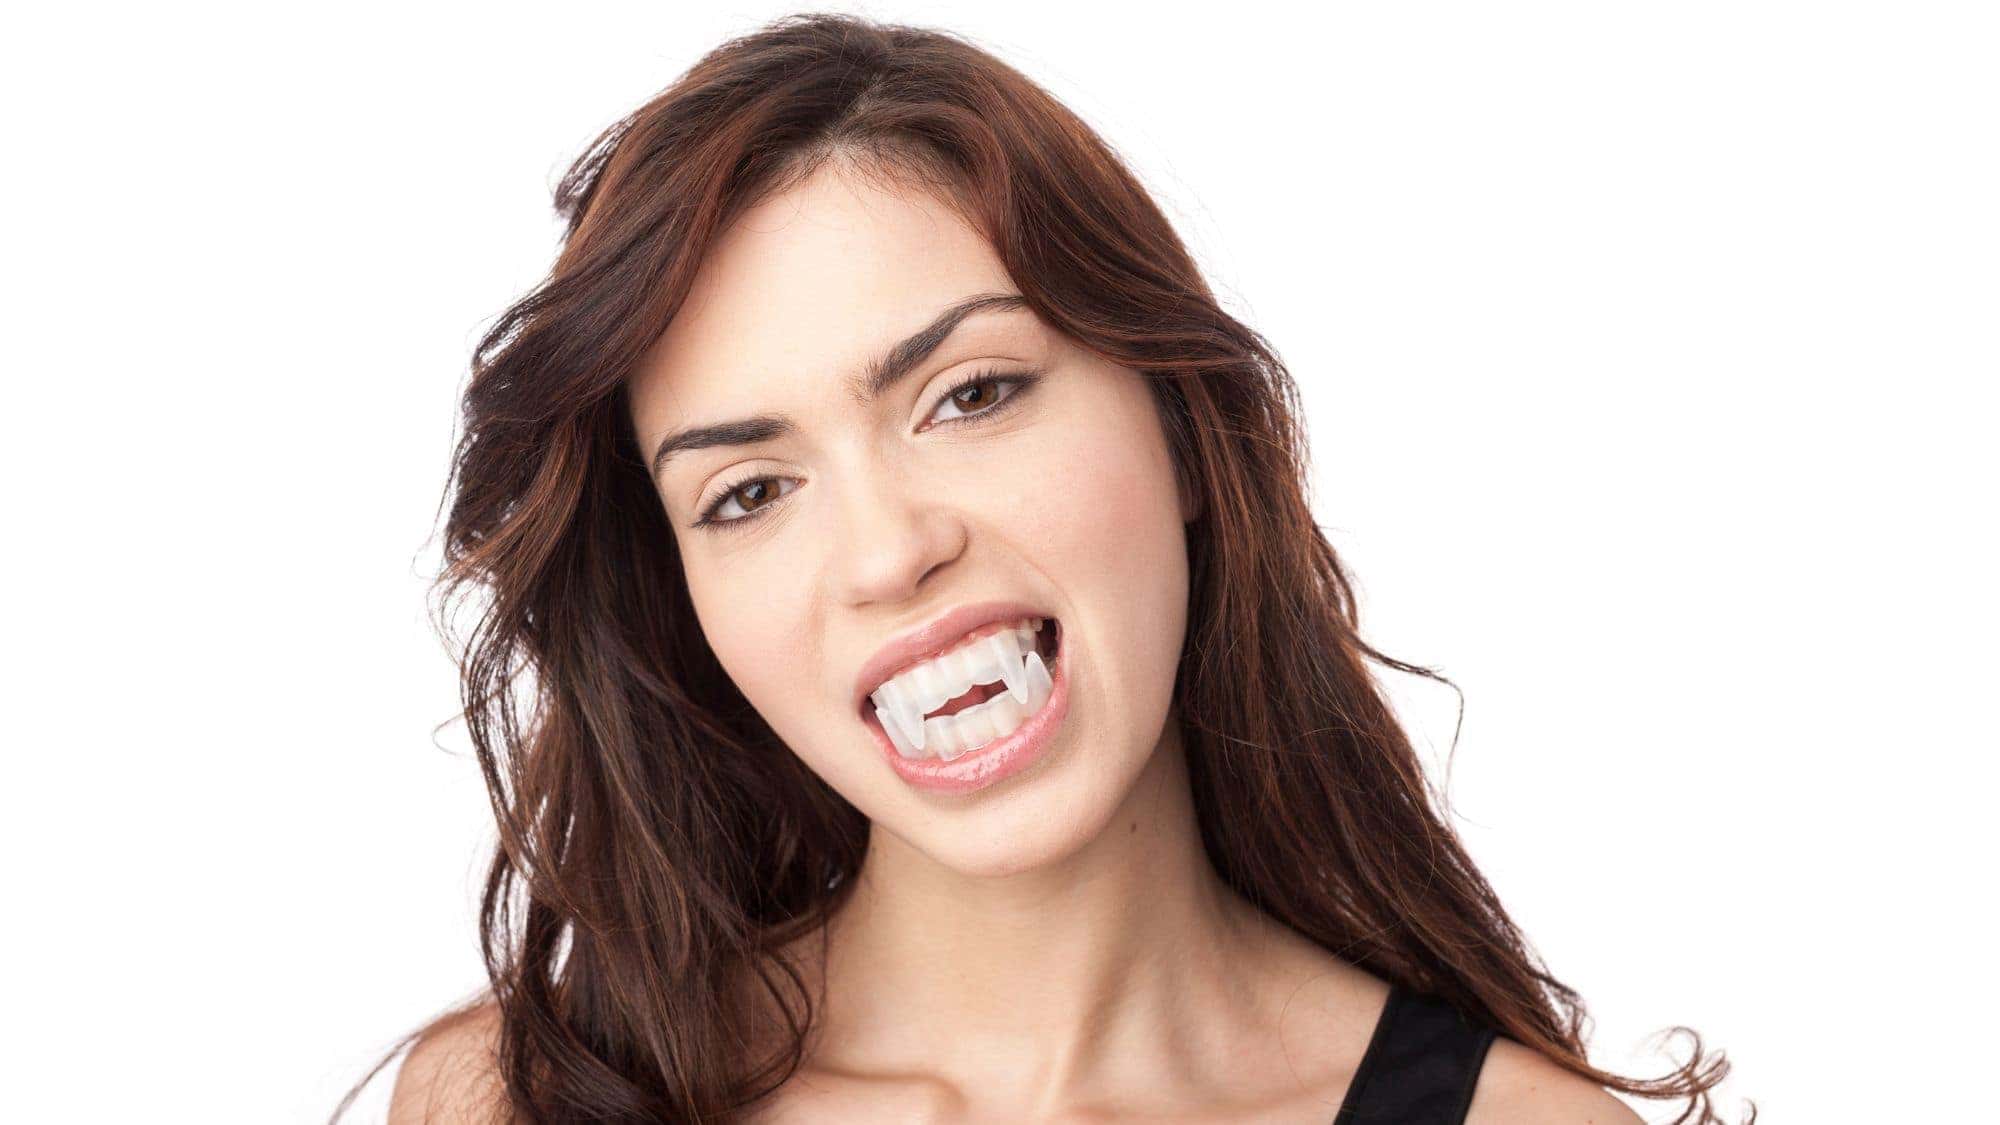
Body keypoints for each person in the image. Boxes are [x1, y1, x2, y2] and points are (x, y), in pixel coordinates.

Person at [339, 13, 1741, 1124]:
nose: (890, 551)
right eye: (751, 490)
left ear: (1185, 430)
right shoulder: (511, 1103)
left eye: (973, 395)